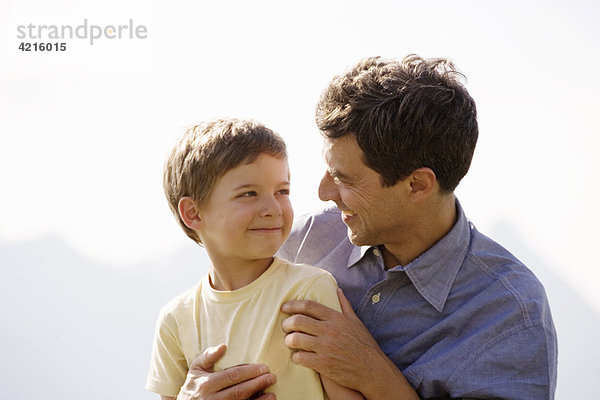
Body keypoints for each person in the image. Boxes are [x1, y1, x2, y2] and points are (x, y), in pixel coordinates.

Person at [177, 55, 558, 400]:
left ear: (418, 185)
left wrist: (373, 373)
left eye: (344, 178)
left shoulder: (510, 313)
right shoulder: (298, 241)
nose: (325, 192)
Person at [145, 118, 364, 400]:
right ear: (194, 213)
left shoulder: (309, 290)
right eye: (249, 193)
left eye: (282, 191)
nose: (273, 208)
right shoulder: (175, 319)